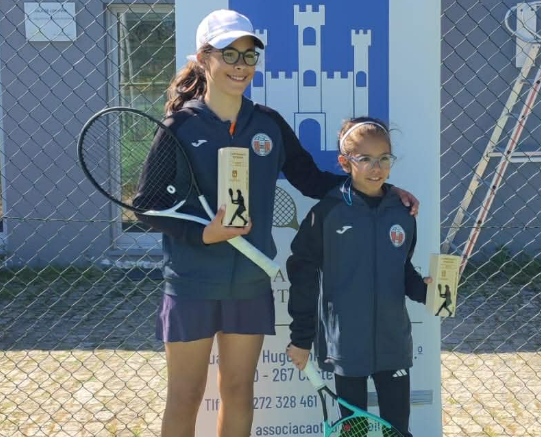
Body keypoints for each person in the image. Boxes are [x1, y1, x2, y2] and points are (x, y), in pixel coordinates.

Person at [133, 10, 421, 437]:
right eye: (229, 54)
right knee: (186, 396)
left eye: (249, 56)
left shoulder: (267, 123)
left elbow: (311, 180)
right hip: (191, 283)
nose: (240, 66)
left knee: (238, 392)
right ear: (203, 58)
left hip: (250, 282)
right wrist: (202, 234)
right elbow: (146, 207)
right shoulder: (179, 125)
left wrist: (377, 188)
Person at [285, 117, 431, 437]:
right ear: (344, 162)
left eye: (384, 158)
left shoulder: (402, 212)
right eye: (365, 159)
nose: (376, 167)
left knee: (397, 430)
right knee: (354, 431)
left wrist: (426, 290)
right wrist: (301, 337)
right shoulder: (327, 213)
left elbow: (402, 270)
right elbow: (303, 275)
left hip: (393, 344)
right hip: (345, 347)